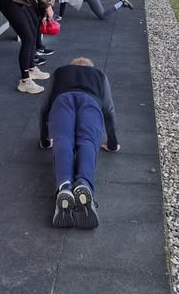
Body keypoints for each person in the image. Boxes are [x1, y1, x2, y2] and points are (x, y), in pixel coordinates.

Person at [39, 57, 119, 229]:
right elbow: (109, 110)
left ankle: (65, 186)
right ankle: (83, 183)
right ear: (90, 68)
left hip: (62, 101)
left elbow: (44, 108)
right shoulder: (99, 75)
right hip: (90, 101)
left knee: (63, 141)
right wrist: (112, 143)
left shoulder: (61, 72)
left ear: (72, 66)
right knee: (88, 141)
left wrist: (44, 139)